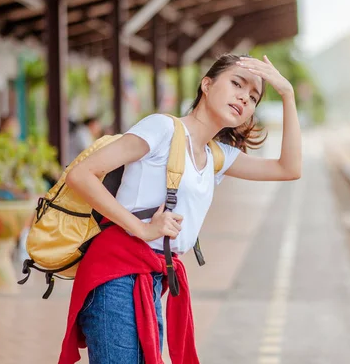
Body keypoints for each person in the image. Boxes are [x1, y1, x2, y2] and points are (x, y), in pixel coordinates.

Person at [58, 54, 301, 363]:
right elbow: (81, 174)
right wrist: (143, 229)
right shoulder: (162, 128)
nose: (244, 97)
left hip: (154, 278)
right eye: (237, 84)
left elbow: (289, 168)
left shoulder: (217, 156)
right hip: (116, 273)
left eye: (253, 97)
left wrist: (287, 94)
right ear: (207, 84)